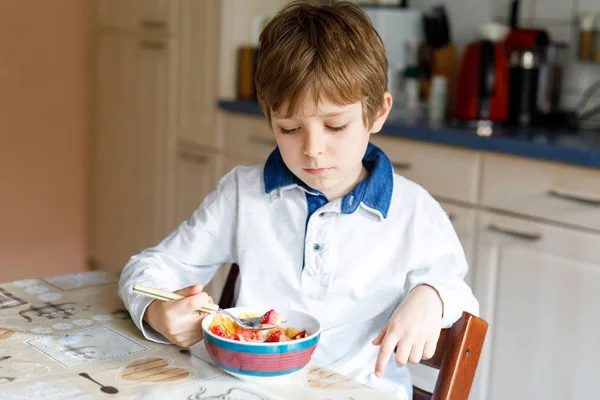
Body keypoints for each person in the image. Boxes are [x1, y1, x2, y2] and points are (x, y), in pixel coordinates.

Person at [118, 1, 478, 398]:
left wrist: (432, 297)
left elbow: (459, 292)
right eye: (290, 128)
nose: (313, 149)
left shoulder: (413, 210)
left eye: (335, 125)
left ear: (377, 113)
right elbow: (149, 268)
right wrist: (156, 312)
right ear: (269, 118)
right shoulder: (244, 194)